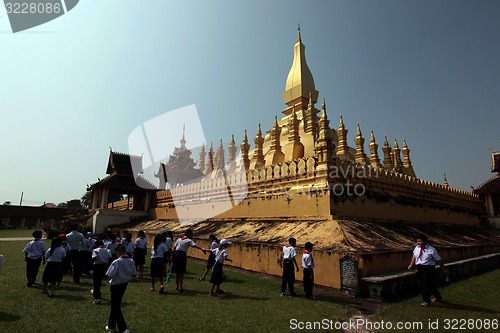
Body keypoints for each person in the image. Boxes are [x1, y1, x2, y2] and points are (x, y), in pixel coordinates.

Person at [408, 234, 446, 307]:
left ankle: (426, 301)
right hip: (420, 267)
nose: (418, 243)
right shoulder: (417, 248)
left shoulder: (432, 250)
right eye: (417, 241)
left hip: (428, 268)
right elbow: (414, 256)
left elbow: (439, 260)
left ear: (425, 241)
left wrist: (443, 269)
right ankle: (437, 296)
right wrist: (411, 264)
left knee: (425, 285)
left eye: (420, 241)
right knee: (429, 284)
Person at [105, 244, 136, 333]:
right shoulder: (131, 260)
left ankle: (123, 328)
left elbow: (109, 274)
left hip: (116, 285)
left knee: (116, 307)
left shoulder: (117, 262)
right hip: (124, 284)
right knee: (115, 305)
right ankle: (111, 326)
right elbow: (134, 274)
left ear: (118, 252)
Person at [171, 229, 206, 293]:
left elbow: (174, 247)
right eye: (192, 235)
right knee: (181, 272)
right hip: (181, 255)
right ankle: (180, 287)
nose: (192, 236)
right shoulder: (188, 240)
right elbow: (195, 246)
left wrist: (172, 255)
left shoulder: (179, 239)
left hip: (176, 254)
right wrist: (202, 249)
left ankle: (177, 286)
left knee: (177, 272)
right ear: (189, 234)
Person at [91, 239, 112, 305]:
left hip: (97, 266)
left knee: (96, 281)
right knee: (99, 280)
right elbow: (110, 257)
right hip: (104, 266)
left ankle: (97, 297)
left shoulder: (96, 250)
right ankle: (95, 292)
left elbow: (94, 257)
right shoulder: (108, 250)